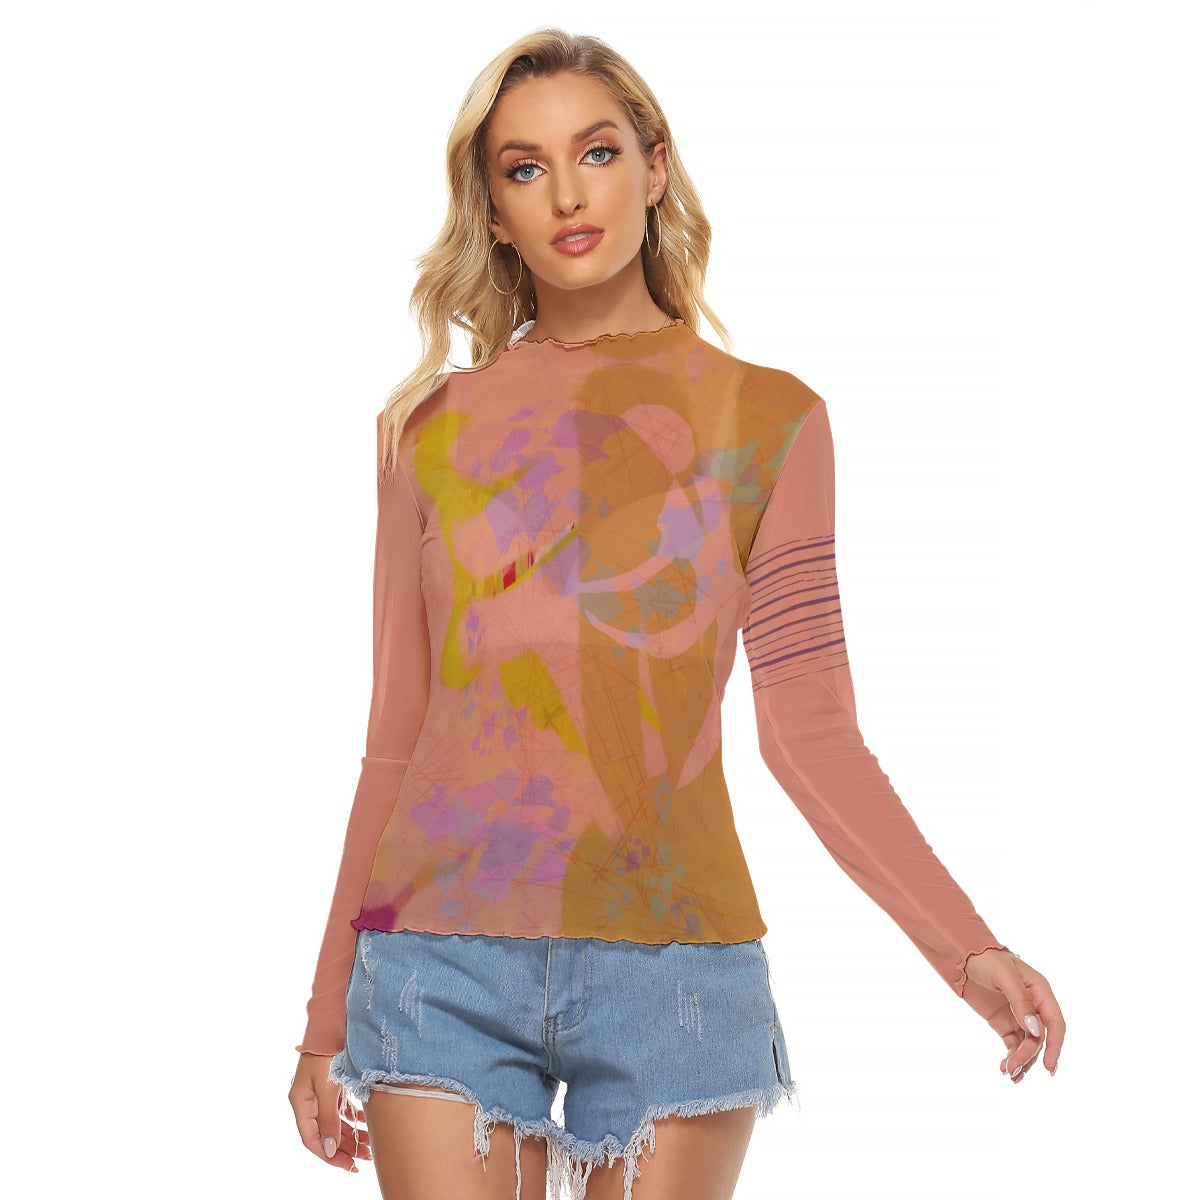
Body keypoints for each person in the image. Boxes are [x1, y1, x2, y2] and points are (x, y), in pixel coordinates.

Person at [287, 27, 1066, 1200]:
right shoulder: (425, 432)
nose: (568, 194)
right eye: (525, 167)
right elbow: (394, 737)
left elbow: (811, 733)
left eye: (597, 151)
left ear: (656, 167)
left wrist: (968, 949)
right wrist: (320, 1020)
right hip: (436, 965)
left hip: (678, 969)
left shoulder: (769, 422)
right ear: (494, 212)